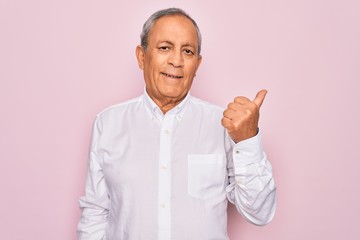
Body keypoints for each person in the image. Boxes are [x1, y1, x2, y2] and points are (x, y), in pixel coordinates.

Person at [77, 8, 276, 240]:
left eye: (188, 51)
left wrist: (248, 140)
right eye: (164, 48)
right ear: (142, 57)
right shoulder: (108, 123)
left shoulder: (224, 125)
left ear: (197, 65)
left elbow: (260, 213)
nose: (176, 61)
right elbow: (95, 212)